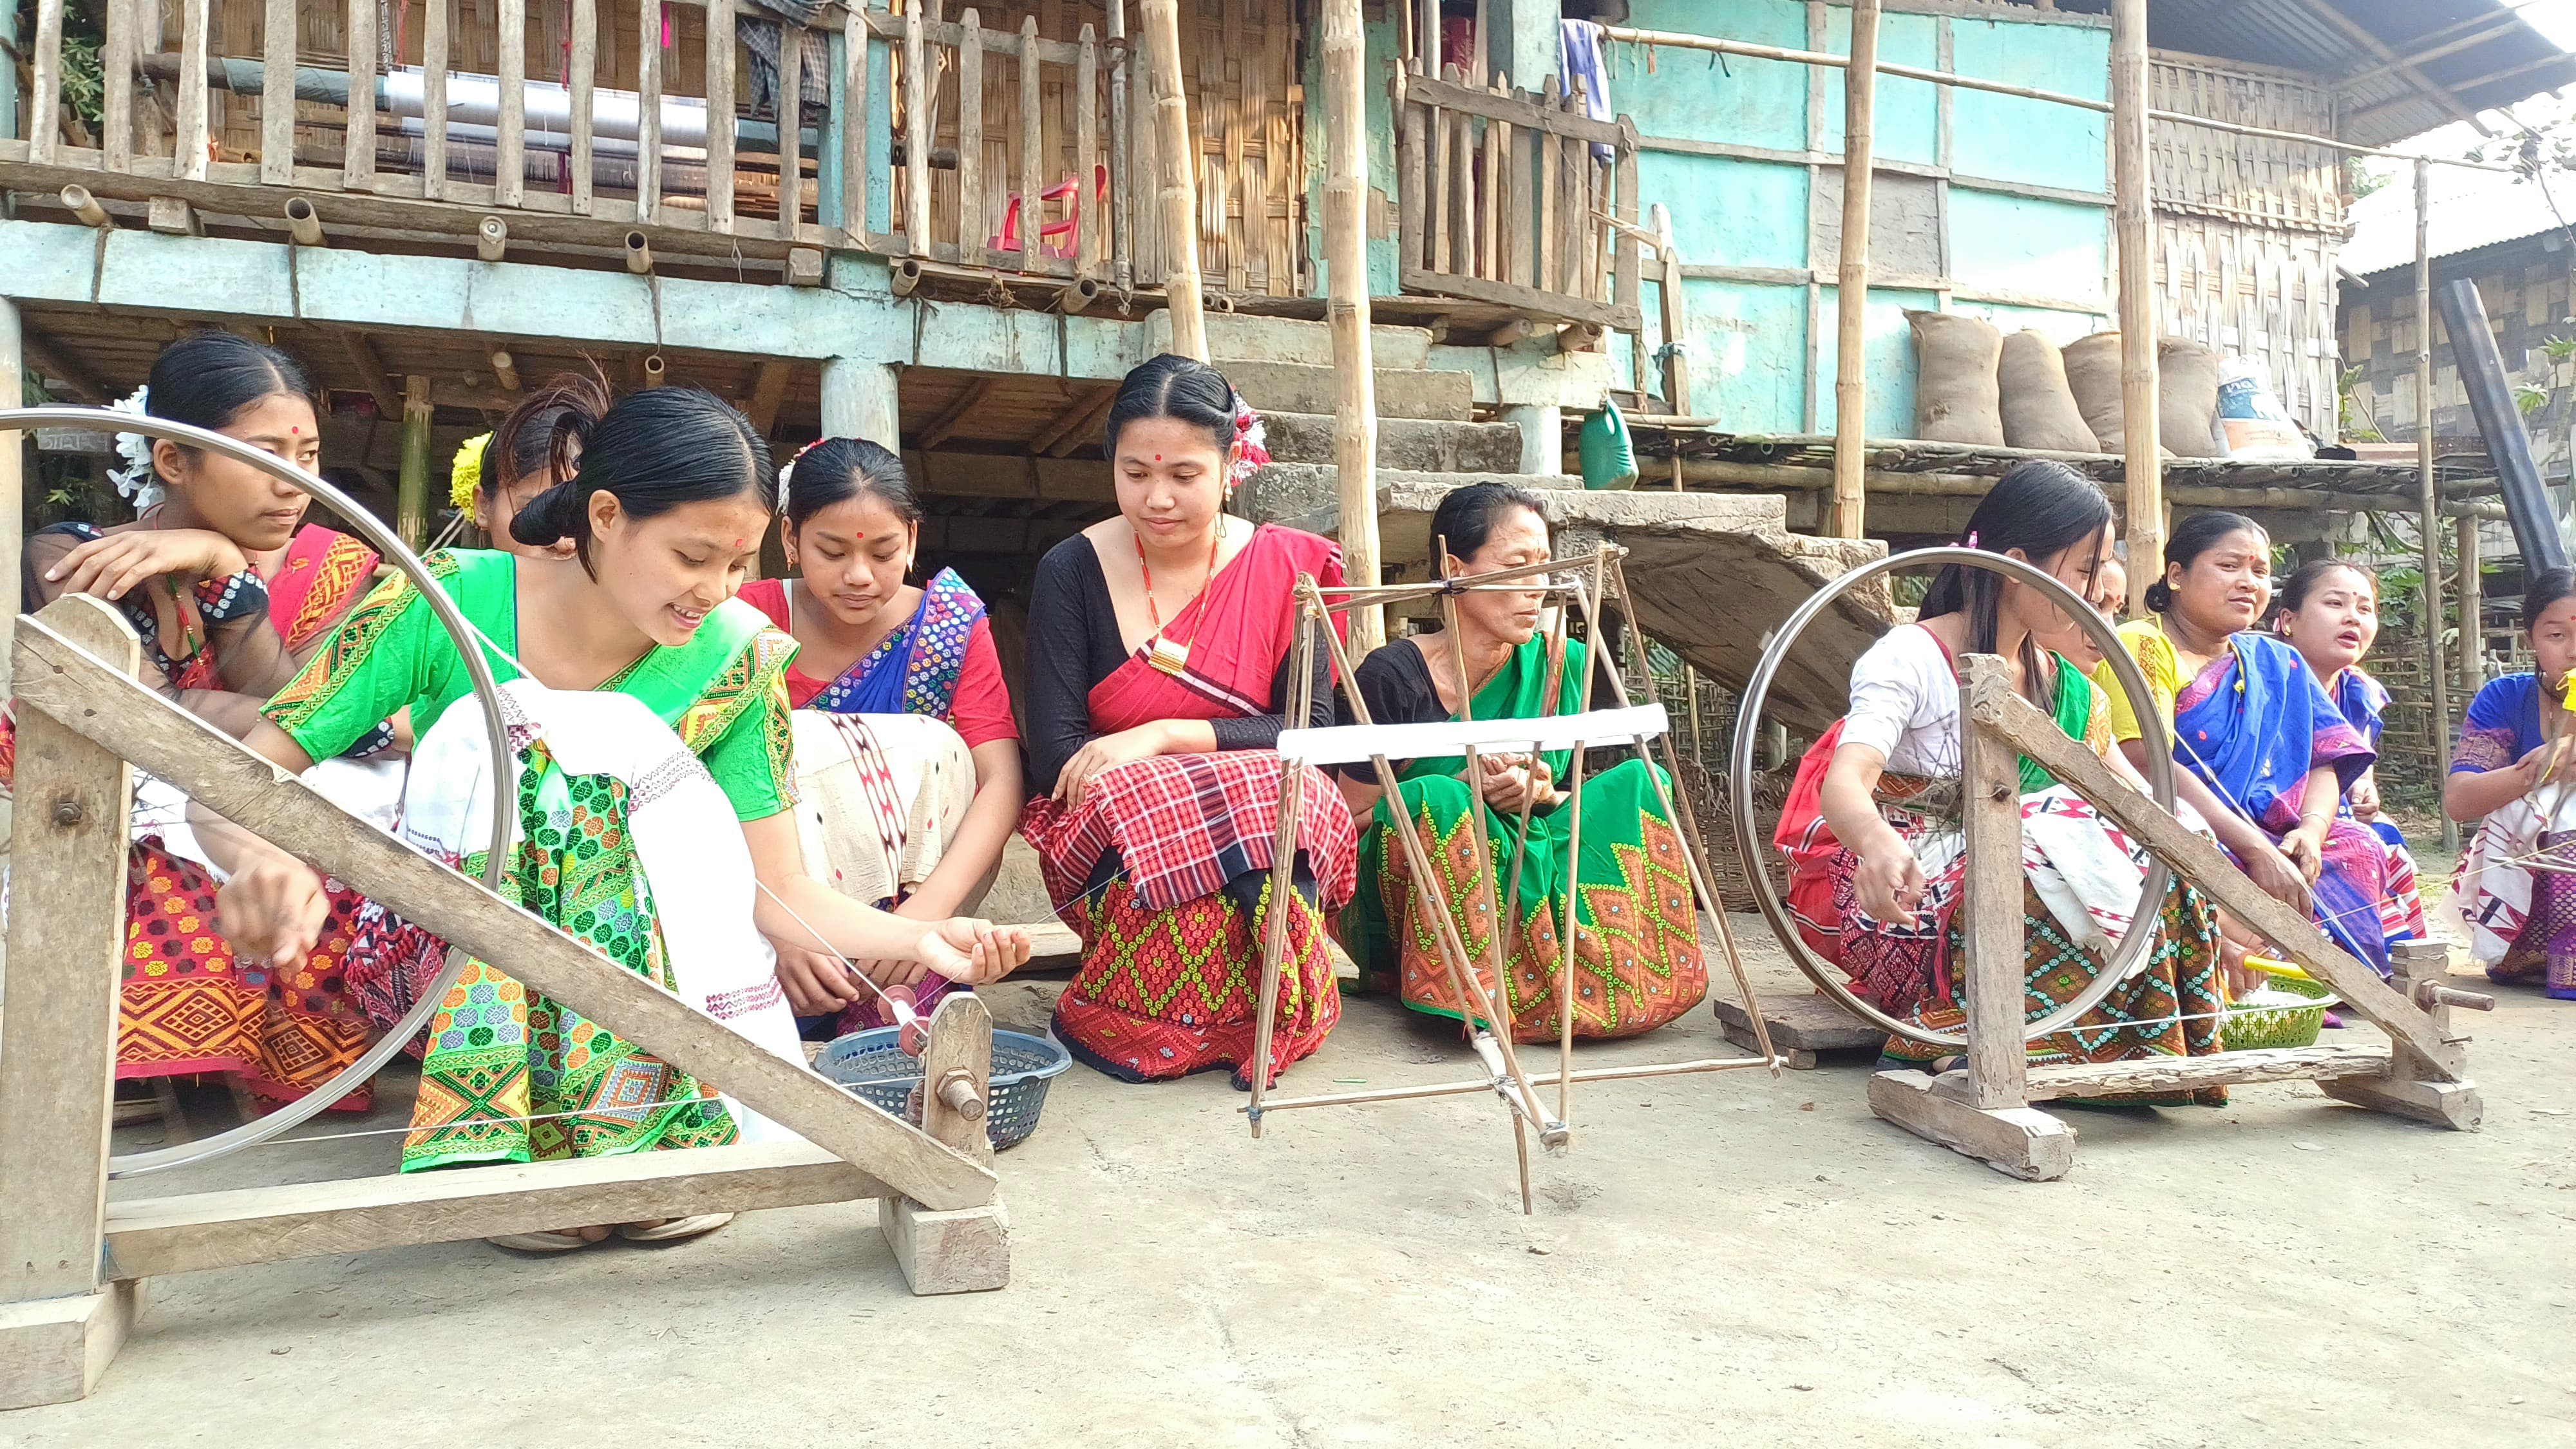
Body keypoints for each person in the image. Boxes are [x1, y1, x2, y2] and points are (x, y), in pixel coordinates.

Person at [209, 386, 1030, 1249]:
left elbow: (777, 890)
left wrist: (919, 941)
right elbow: (237, 776)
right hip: (456, 960)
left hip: (658, 980)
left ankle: (644, 1136)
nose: (716, 590)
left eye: (738, 563)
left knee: (608, 801)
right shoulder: (441, 602)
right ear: (605, 515)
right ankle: (519, 1137)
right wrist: (263, 856)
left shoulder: (737, 662)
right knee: (560, 783)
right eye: (691, 556)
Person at [11, 332, 392, 1114]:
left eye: (309, 457)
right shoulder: (74, 554)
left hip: (207, 776)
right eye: (263, 457)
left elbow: (280, 695)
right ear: (174, 459)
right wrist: (356, 726)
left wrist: (223, 566)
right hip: (103, 780)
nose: (293, 486)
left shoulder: (233, 568)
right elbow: (156, 718)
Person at [1773, 461, 2231, 1093]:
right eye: (2083, 572)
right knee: (2049, 835)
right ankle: (1970, 1037)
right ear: (2017, 562)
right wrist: (1878, 846)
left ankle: (2122, 1043)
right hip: (1906, 906)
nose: (2091, 594)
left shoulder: (2069, 688)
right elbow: (1845, 781)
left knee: (2167, 838)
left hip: (2017, 886)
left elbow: (2140, 803)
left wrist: (2221, 895)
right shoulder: (1913, 657)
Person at [1018, 354, 1356, 1088]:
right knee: (1186, 799)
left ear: (1233, 462)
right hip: (1112, 826)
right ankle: (1213, 1013)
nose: (1157, 498)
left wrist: (1164, 735)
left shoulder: (1288, 568)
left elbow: (1313, 734)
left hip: (1262, 814)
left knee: (1277, 790)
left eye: (1184, 475)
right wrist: (1173, 779)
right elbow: (1055, 758)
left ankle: (1260, 1004)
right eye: (1135, 473)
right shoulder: (1069, 570)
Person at [1336, 483, 1706, 1040]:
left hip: (1520, 849)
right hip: (1410, 883)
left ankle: (1599, 976)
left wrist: (1539, 793)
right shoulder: (1393, 678)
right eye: (1516, 568)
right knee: (1440, 799)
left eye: (1544, 568)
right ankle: (1461, 984)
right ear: (1454, 569)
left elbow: (1556, 800)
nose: (1537, 590)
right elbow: (1346, 823)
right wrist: (1462, 783)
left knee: (1642, 782)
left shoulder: (1559, 662)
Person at [736, 438, 1023, 1035]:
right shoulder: (744, 623)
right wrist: (782, 929)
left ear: (913, 541)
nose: (860, 576)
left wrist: (923, 921)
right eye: (832, 551)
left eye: (885, 551)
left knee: (940, 752)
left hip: (916, 900)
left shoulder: (949, 627)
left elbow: (1000, 781)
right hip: (771, 901)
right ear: (789, 540)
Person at [2107, 514, 2390, 974]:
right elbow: (2144, 760)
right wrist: (2255, 850)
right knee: (2202, 863)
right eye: (2230, 566)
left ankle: (2329, 981)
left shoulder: (2275, 660)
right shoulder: (2143, 643)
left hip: (2274, 829)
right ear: (2176, 575)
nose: (2248, 583)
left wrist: (2311, 833)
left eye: (2259, 572)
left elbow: (2326, 758)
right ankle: (2247, 973)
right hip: (2184, 825)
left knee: (2358, 843)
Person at [2271, 559, 2427, 953]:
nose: (2353, 619)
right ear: (2289, 620)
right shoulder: (2263, 679)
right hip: (2271, 810)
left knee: (2384, 832)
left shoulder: (2361, 693)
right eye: (2336, 604)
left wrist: (2365, 793)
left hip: (2330, 813)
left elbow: (2359, 770)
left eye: (2365, 609)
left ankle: (2395, 955)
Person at [2450, 567, 2576, 998]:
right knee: (2536, 807)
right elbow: (2461, 800)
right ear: (2530, 642)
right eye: (2556, 636)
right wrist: (2537, 771)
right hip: (2531, 869)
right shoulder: (2505, 698)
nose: (2574, 652)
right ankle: (2534, 950)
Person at [448, 372, 598, 562]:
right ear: (483, 506)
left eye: (582, 515)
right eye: (533, 510)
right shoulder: (432, 587)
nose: (564, 544)